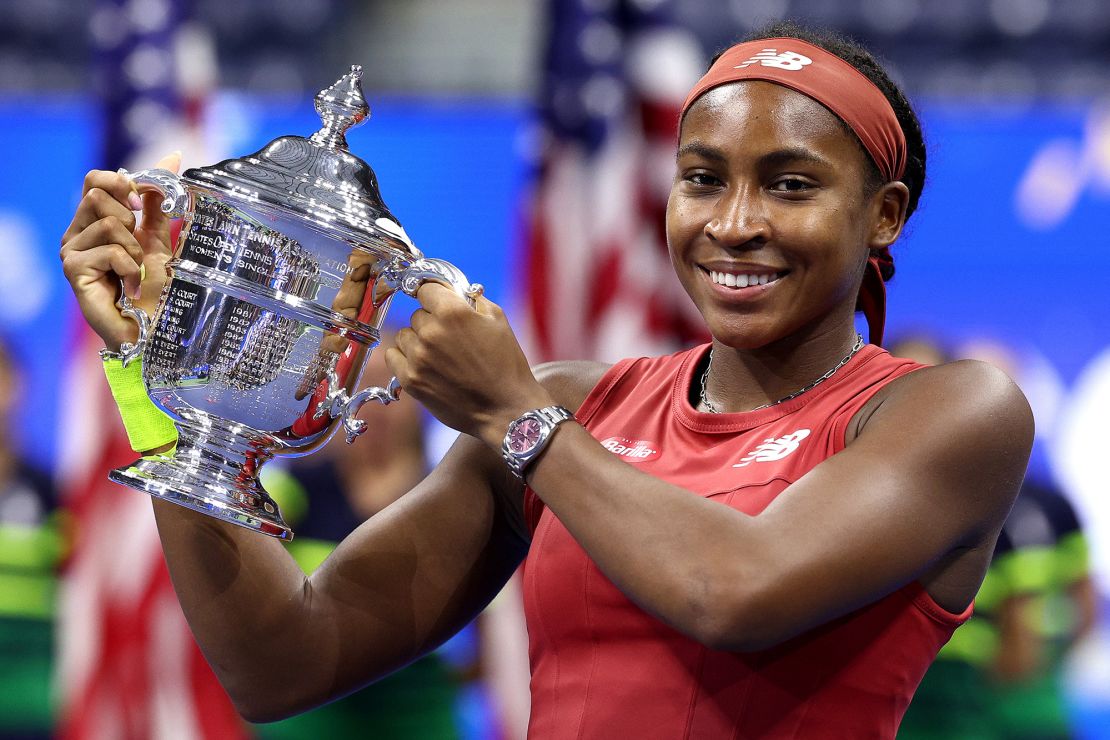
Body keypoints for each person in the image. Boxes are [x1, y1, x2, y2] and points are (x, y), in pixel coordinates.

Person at [58, 21, 1034, 738]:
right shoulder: (577, 407)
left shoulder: (950, 412)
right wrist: (162, 380)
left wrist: (516, 415)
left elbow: (736, 589)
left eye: (790, 183)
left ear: (884, 216)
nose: (733, 221)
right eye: (702, 178)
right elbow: (282, 657)